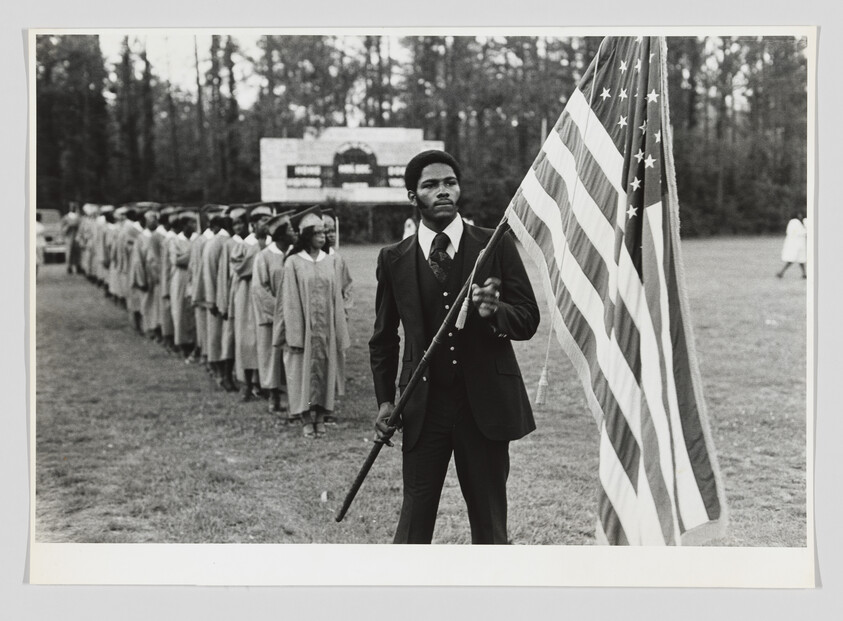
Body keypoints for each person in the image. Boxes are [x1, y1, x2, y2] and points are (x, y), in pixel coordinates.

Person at [369, 150, 540, 544]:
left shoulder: (494, 244)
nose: (442, 191)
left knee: (490, 522)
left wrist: (495, 310)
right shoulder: (393, 259)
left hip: (485, 405)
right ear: (413, 196)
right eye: (430, 185)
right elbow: (382, 338)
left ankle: (493, 599)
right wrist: (383, 401)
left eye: (449, 182)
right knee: (414, 521)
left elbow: (528, 319)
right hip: (421, 406)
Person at [279, 208, 350, 438]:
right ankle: (305, 418)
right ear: (307, 236)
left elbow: (337, 298)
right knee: (302, 372)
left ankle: (320, 415)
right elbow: (288, 301)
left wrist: (339, 330)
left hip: (326, 329)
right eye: (318, 233)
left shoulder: (330, 261)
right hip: (303, 330)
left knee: (325, 371)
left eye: (324, 232)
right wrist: (295, 335)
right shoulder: (293, 263)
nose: (324, 236)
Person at [252, 211, 295, 415]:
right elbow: (260, 289)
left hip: (293, 317)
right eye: (289, 229)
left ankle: (291, 395)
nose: (294, 232)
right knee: (271, 356)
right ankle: (273, 395)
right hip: (271, 317)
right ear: (279, 234)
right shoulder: (264, 257)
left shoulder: (295, 255)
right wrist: (280, 311)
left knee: (290, 356)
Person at [200, 210, 237, 392]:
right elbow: (213, 273)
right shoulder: (221, 243)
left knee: (218, 338)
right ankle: (223, 376)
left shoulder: (213, 242)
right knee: (222, 339)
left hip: (216, 297)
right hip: (220, 299)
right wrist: (214, 301)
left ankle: (220, 374)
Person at [169, 211, 198, 361]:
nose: (194, 226)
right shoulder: (175, 240)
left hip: (193, 278)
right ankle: (183, 346)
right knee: (180, 311)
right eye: (192, 223)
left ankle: (194, 345)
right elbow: (177, 260)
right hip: (180, 279)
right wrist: (194, 254)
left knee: (192, 311)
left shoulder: (196, 239)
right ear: (185, 225)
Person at [777, 212, 807, 279]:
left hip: (801, 244)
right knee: (791, 259)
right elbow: (799, 232)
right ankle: (781, 272)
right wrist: (806, 230)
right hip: (794, 244)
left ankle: (804, 274)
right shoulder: (794, 222)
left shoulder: (803, 222)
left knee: (801, 260)